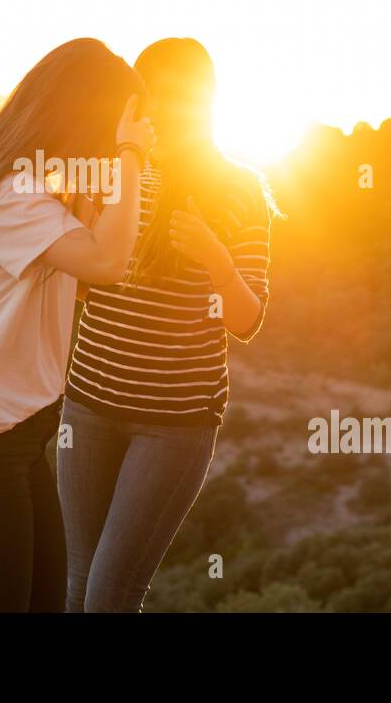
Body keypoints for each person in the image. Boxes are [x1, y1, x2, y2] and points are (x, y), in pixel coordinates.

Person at [0, 37, 156, 612]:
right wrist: (129, 155)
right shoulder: (10, 194)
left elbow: (105, 263)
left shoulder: (41, 192)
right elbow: (107, 262)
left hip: (15, 441)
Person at [57, 37, 278, 612]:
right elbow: (81, 286)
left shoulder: (241, 188)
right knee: (75, 580)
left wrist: (216, 262)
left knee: (108, 595)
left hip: (173, 424)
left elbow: (247, 319)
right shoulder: (112, 172)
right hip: (87, 404)